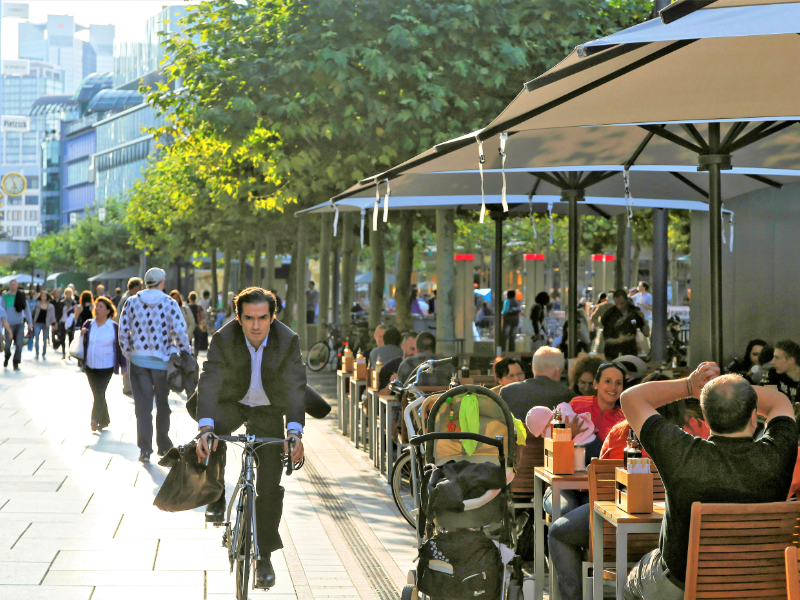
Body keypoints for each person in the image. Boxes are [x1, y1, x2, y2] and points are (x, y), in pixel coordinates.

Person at [620, 365, 797, 599]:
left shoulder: (681, 453)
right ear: (755, 417)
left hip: (683, 587)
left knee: (634, 580)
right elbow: (780, 400)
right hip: (763, 585)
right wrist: (729, 388)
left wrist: (690, 386)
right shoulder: (777, 455)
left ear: (705, 415)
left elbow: (631, 397)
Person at [548, 385, 708, 600]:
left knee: (558, 533)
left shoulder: (620, 433)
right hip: (673, 540)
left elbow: (602, 490)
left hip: (615, 536)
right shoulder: (695, 435)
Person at [194, 287, 305, 590]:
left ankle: (265, 557)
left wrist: (294, 433)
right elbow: (210, 381)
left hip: (269, 410)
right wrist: (205, 429)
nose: (256, 326)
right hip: (232, 403)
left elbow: (296, 387)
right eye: (248, 318)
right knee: (213, 433)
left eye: (262, 318)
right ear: (238, 317)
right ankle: (215, 495)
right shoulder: (222, 338)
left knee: (270, 485)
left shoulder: (288, 340)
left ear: (273, 317)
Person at [119, 268, 191, 463]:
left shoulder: (132, 302)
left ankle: (144, 449)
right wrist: (186, 353)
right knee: (162, 404)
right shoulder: (169, 303)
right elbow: (179, 331)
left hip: (138, 361)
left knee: (142, 407)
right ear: (162, 282)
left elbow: (123, 331)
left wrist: (129, 353)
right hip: (161, 361)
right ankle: (163, 444)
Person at [81, 296, 126, 432]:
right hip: (90, 366)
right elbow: (82, 343)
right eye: (96, 306)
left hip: (106, 366)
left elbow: (119, 347)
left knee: (99, 392)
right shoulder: (89, 324)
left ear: (108, 311)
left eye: (101, 306)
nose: (98, 309)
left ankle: (94, 419)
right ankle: (105, 420)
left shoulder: (113, 327)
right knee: (98, 394)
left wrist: (124, 367)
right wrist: (81, 334)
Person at [500, 346, 575, 420]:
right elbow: (561, 428)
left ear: (533, 368)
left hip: (516, 432)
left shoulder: (507, 392)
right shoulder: (567, 395)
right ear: (558, 371)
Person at [600, 289, 648, 360]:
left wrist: (643, 319)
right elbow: (606, 338)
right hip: (612, 351)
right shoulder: (609, 314)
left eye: (622, 303)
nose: (620, 306)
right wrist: (619, 340)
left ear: (626, 300)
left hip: (629, 350)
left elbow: (646, 333)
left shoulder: (634, 312)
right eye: (617, 303)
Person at [117, 277, 143, 395]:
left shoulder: (126, 298)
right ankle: (127, 386)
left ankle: (128, 385)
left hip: (126, 335)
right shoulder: (128, 300)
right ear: (136, 288)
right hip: (126, 336)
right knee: (127, 362)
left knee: (127, 362)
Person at [3, 279, 32, 370]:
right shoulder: (5, 297)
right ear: (9, 285)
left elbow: (27, 310)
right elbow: (2, 311)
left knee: (19, 344)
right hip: (9, 324)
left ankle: (16, 362)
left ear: (17, 285)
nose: (12, 286)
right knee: (7, 344)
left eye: (14, 284)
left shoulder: (21, 296)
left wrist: (30, 322)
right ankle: (7, 355)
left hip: (19, 323)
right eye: (11, 284)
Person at [766, 339, 800, 403]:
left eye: (777, 358)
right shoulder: (774, 373)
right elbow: (768, 401)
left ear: (791, 360)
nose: (772, 362)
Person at [32, 290, 56, 359]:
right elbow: (32, 313)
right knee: (36, 338)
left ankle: (43, 354)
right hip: (37, 323)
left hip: (46, 324)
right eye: (42, 296)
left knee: (45, 339)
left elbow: (52, 316)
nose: (43, 297)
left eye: (45, 296)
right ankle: (37, 354)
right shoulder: (37, 304)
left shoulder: (51, 306)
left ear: (47, 297)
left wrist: (53, 324)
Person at [60, 287, 76, 359]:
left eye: (70, 293)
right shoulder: (62, 302)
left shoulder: (74, 303)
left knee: (71, 338)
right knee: (62, 338)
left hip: (71, 322)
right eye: (67, 293)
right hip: (63, 321)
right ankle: (63, 353)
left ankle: (69, 353)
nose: (68, 295)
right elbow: (59, 312)